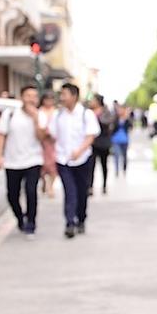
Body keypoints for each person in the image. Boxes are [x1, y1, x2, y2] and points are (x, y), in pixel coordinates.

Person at [0, 85, 48, 238]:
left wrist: (36, 119)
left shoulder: (40, 115)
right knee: (12, 195)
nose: (31, 99)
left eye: (34, 96)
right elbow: (1, 135)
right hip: (12, 161)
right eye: (28, 96)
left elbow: (42, 138)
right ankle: (20, 218)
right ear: (21, 97)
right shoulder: (10, 114)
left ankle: (31, 223)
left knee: (31, 191)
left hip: (33, 160)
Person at [48, 83, 100, 238]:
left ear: (74, 96)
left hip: (83, 159)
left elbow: (91, 135)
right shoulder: (58, 115)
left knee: (82, 191)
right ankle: (70, 222)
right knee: (69, 191)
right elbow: (51, 135)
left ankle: (81, 219)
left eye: (65, 94)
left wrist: (80, 151)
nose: (62, 98)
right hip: (63, 160)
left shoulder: (86, 114)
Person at [88, 94, 115, 195]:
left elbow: (108, 122)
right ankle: (90, 186)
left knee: (104, 165)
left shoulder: (105, 111)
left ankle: (104, 185)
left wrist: (97, 119)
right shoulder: (88, 112)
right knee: (91, 166)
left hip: (103, 141)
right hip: (92, 142)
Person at [39, 92, 59, 198]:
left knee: (53, 165)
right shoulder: (39, 112)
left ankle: (50, 186)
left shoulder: (56, 112)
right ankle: (44, 181)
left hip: (53, 142)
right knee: (42, 164)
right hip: (41, 141)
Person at [111, 105, 132, 177]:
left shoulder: (126, 119)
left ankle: (124, 169)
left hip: (124, 139)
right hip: (116, 139)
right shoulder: (115, 119)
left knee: (124, 155)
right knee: (116, 155)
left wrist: (126, 118)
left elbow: (130, 127)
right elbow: (112, 128)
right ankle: (116, 170)